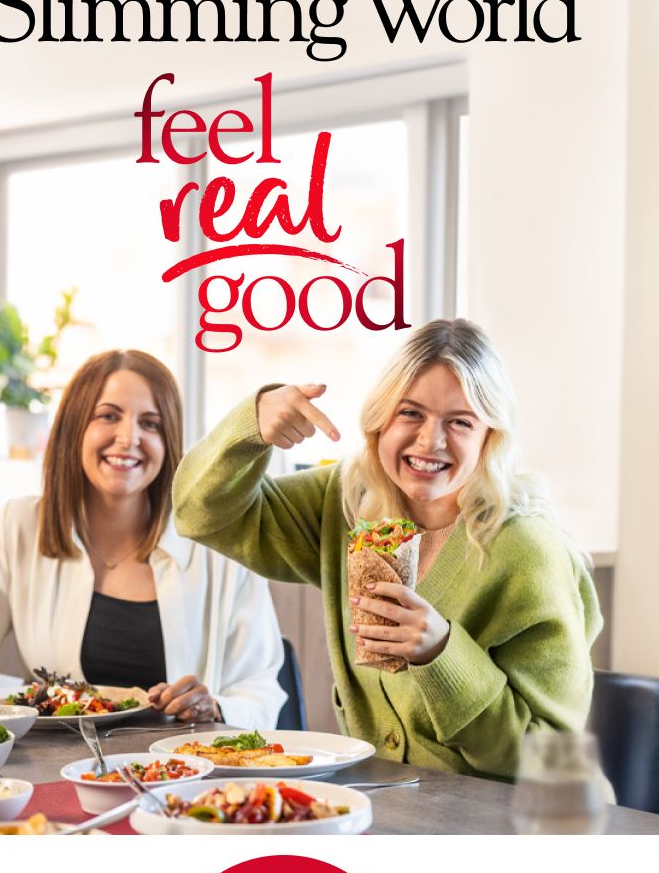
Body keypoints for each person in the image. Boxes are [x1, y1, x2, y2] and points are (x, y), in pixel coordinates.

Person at [172, 319, 602, 779]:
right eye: (410, 413)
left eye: (459, 421)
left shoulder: (530, 553)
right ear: (380, 419)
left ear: (489, 436)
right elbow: (200, 512)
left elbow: (550, 762)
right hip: (382, 808)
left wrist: (442, 655)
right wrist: (251, 424)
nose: (429, 441)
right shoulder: (347, 501)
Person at [0, 350, 285, 727]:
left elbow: (261, 690)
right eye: (108, 416)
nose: (129, 438)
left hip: (186, 772)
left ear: (169, 442)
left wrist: (215, 707)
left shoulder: (219, 542)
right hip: (57, 772)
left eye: (151, 424)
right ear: (74, 428)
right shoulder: (20, 527)